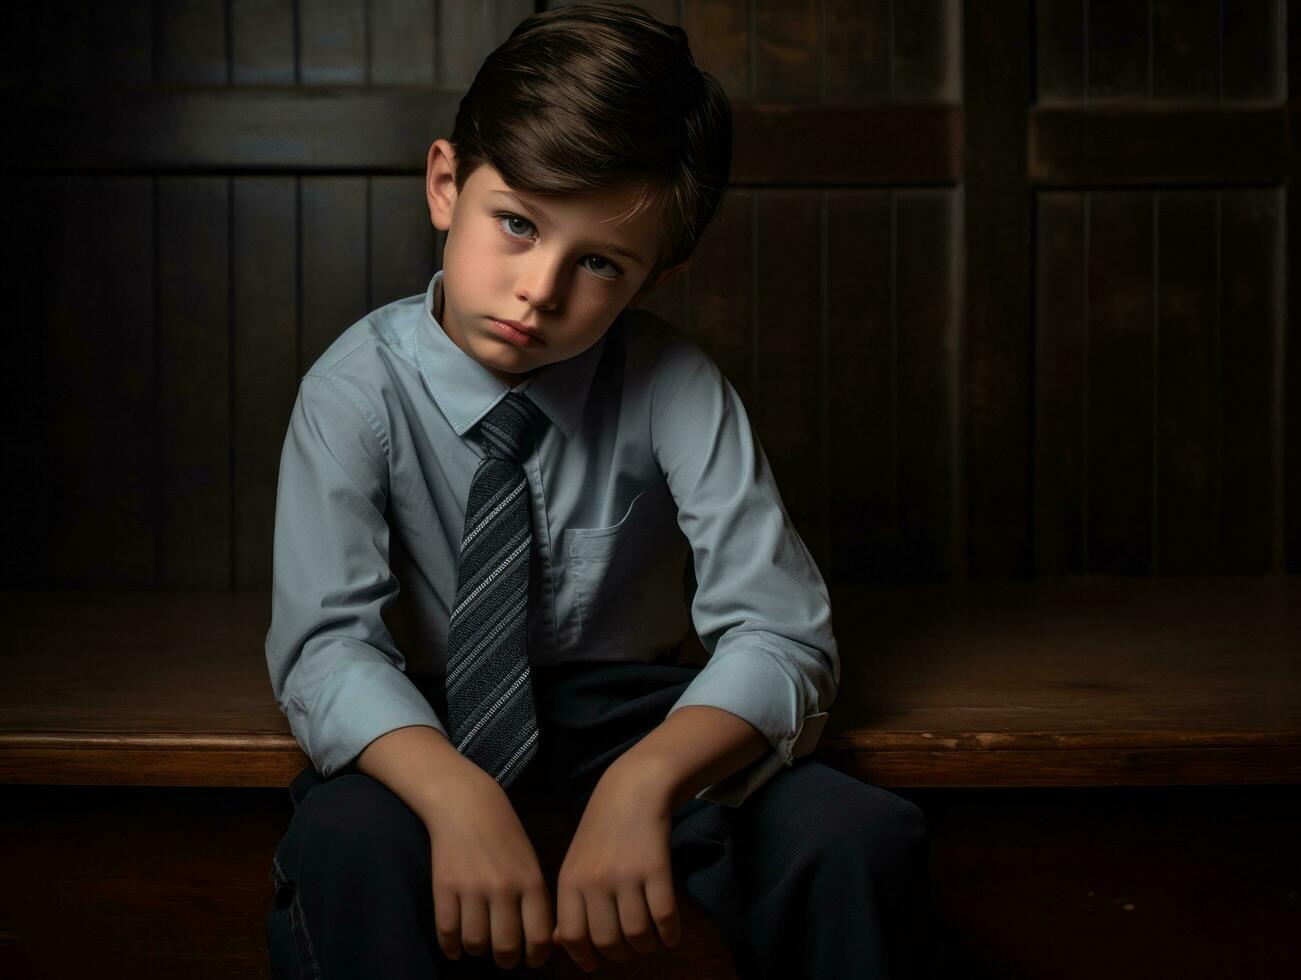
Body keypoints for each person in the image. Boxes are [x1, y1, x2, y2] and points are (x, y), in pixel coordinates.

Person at [263, 3, 934, 977]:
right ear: (446, 183)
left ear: (653, 274)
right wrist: (454, 792)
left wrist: (646, 779)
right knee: (348, 840)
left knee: (853, 831)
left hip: (642, 716)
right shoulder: (352, 392)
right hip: (428, 721)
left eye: (598, 263)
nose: (539, 288)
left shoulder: (675, 386)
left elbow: (780, 632)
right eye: (517, 223)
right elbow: (326, 647)